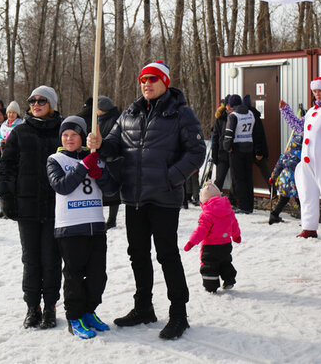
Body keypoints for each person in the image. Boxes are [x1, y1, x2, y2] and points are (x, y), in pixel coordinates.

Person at [87, 61, 205, 340]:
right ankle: (143, 307)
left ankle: (179, 313)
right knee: (137, 254)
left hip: (163, 197)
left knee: (167, 255)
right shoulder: (130, 112)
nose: (146, 83)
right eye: (143, 79)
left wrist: (170, 177)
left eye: (152, 79)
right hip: (134, 197)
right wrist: (100, 144)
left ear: (165, 82)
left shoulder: (180, 113)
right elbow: (115, 144)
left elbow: (197, 151)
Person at [46, 115, 118, 339]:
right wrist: (82, 167)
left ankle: (89, 311)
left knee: (98, 275)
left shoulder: (95, 157)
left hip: (95, 225)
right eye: (65, 135)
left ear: (83, 137)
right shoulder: (55, 159)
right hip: (70, 226)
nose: (69, 139)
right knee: (74, 275)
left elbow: (112, 190)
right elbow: (62, 186)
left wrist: (101, 173)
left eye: (74, 135)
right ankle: (74, 317)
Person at [0, 85, 63, 330]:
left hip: (57, 207)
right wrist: (7, 197)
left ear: (52, 105)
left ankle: (50, 307)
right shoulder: (20, 133)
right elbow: (7, 168)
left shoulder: (62, 131)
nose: (36, 104)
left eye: (42, 101)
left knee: (51, 259)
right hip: (27, 207)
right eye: (32, 100)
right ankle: (32, 306)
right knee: (31, 259)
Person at [279, 76, 321, 242]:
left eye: (320, 91)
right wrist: (286, 111)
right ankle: (308, 226)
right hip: (308, 161)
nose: (317, 94)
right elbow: (299, 127)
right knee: (307, 194)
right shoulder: (312, 111)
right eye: (314, 91)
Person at [183, 182, 241, 293]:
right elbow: (234, 224)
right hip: (225, 244)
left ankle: (211, 286)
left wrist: (191, 242)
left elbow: (201, 230)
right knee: (225, 262)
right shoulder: (229, 210)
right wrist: (236, 236)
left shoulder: (207, 214)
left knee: (209, 265)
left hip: (210, 247)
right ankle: (229, 279)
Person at [222, 94, 260, 214]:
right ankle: (250, 205)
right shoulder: (250, 114)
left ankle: (243, 205)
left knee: (239, 179)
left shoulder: (233, 116)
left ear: (232, 105)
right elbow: (255, 131)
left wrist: (227, 147)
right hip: (249, 148)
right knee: (248, 177)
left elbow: (229, 134)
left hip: (237, 149)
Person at [95, 95, 122, 230]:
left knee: (113, 191)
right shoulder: (101, 119)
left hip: (113, 160)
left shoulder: (113, 120)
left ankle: (112, 219)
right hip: (102, 158)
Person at [268, 132, 302, 225]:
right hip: (297, 182)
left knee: (283, 199)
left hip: (284, 181)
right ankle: (306, 219)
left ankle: (274, 215)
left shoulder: (285, 154)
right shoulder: (303, 155)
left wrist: (273, 177)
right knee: (301, 201)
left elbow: (278, 167)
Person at [209, 99, 231, 197]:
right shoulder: (220, 118)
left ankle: (233, 198)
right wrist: (214, 155)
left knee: (236, 178)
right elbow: (215, 138)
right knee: (219, 178)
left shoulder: (236, 116)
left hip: (233, 152)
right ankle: (213, 198)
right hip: (222, 153)